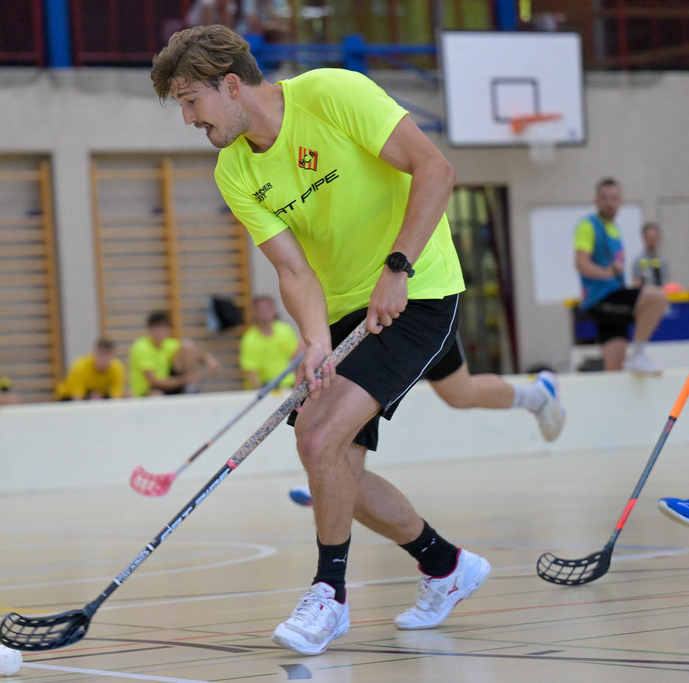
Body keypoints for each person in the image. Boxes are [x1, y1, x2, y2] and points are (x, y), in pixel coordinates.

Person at [151, 25, 490, 655]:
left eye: (191, 101)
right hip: (340, 312)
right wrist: (312, 340)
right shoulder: (235, 170)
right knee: (333, 468)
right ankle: (446, 565)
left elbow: (435, 169)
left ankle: (329, 595)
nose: (188, 118)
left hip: (417, 290)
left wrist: (399, 266)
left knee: (316, 438)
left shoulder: (333, 93)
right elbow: (292, 269)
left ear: (230, 85)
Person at [289, 340, 565, 505]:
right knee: (459, 393)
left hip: (416, 312)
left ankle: (330, 474)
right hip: (359, 320)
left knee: (459, 393)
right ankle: (538, 397)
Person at [574, 178, 668, 375]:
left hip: (612, 305)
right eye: (604, 198)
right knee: (657, 298)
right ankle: (639, 354)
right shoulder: (588, 226)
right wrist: (607, 272)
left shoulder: (614, 229)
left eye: (614, 198)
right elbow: (581, 263)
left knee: (614, 371)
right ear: (596, 201)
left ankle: (632, 365)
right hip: (601, 298)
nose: (609, 202)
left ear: (621, 201)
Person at [128, 310, 220, 397]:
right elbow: (153, 381)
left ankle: (191, 387)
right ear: (150, 330)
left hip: (169, 384)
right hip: (148, 391)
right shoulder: (141, 347)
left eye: (165, 328)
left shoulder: (168, 344)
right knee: (156, 395)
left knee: (186, 346)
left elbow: (196, 354)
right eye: (158, 328)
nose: (161, 332)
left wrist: (210, 360)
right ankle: (188, 384)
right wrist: (183, 380)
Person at [239, 294, 300, 390]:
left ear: (274, 310)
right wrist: (259, 390)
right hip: (265, 387)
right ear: (254, 312)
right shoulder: (249, 339)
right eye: (260, 309)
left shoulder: (286, 331)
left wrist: (298, 384)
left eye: (267, 308)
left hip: (287, 384)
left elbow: (296, 359)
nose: (264, 312)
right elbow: (250, 369)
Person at [56, 338, 126, 400]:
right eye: (101, 355)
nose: (104, 360)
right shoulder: (80, 367)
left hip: (99, 395)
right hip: (69, 395)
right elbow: (77, 397)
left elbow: (116, 397)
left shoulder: (117, 368)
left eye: (108, 356)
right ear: (95, 354)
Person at [631, 221, 669, 288]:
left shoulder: (663, 260)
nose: (652, 239)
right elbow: (636, 284)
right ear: (644, 238)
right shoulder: (638, 260)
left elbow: (665, 281)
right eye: (649, 236)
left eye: (654, 236)